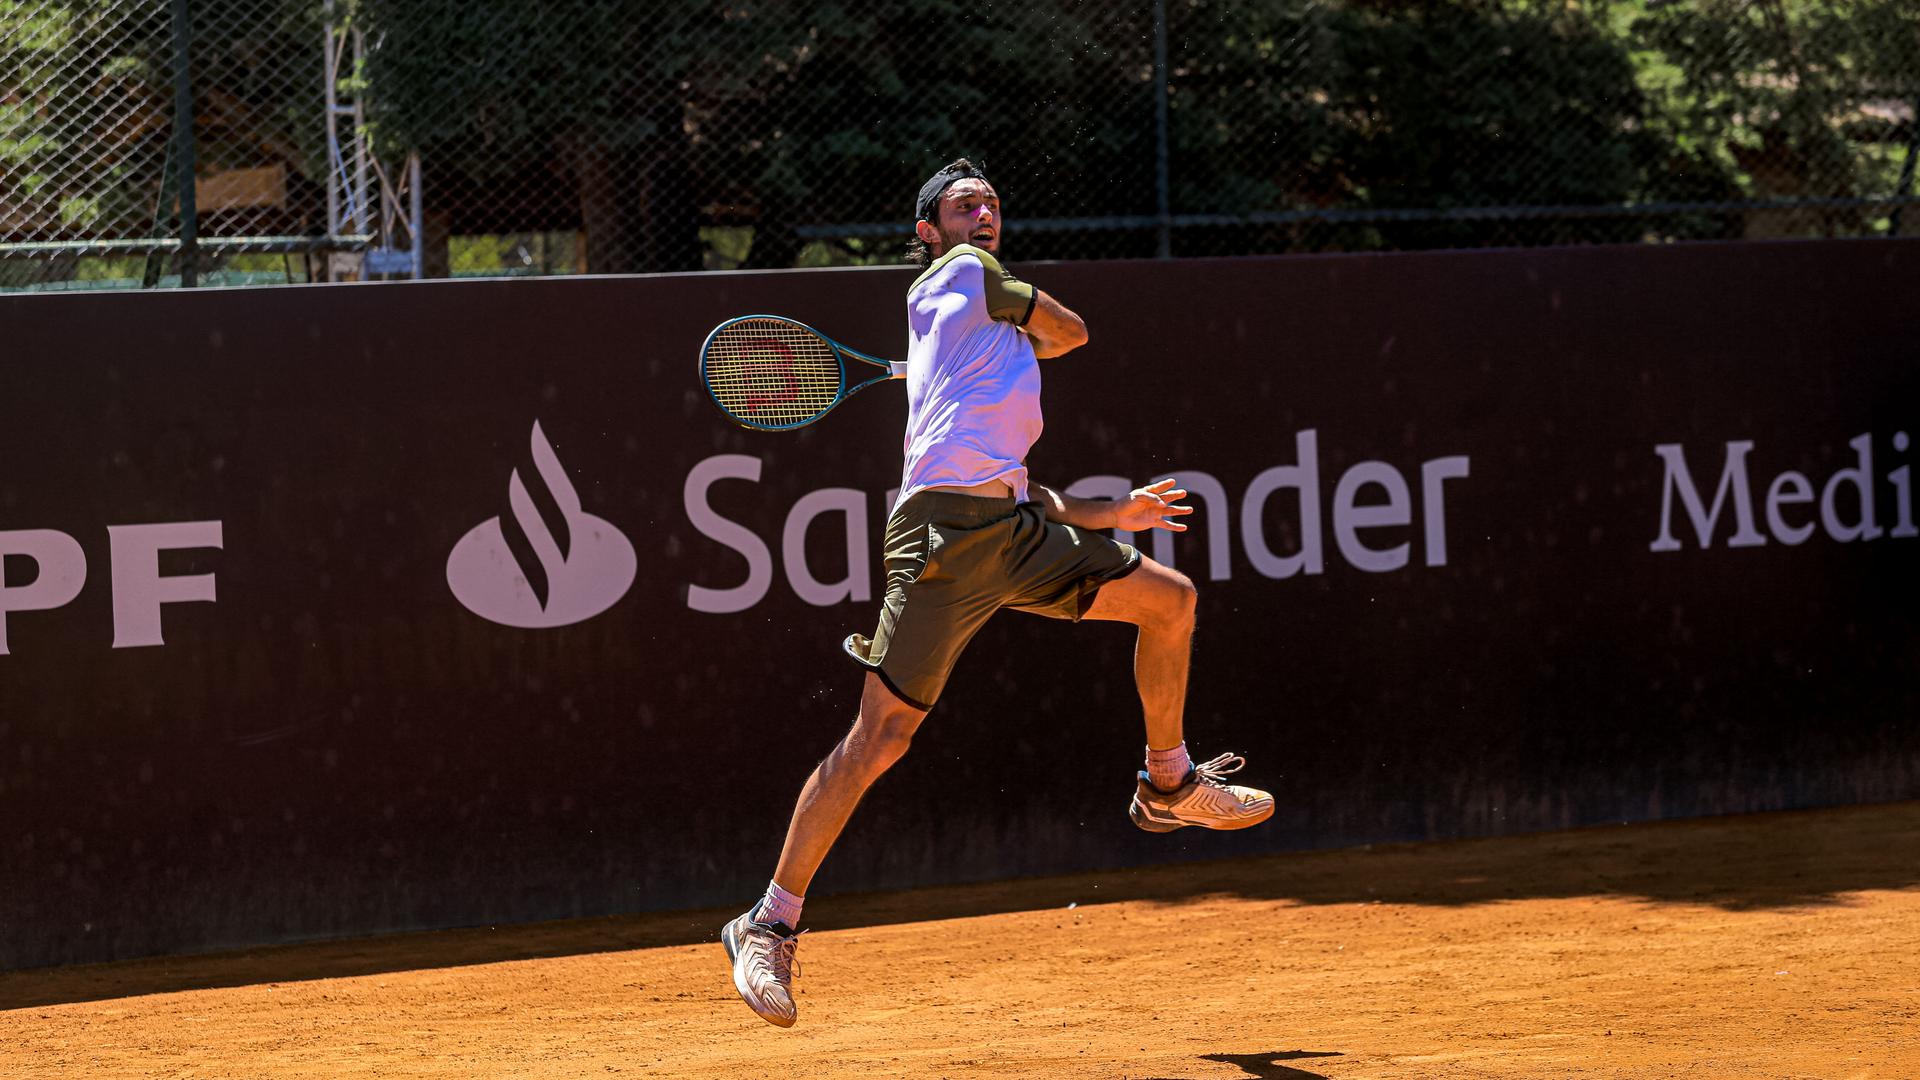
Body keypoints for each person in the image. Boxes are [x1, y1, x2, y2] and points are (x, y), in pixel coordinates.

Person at [722, 159, 1273, 1028]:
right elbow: (1076, 330)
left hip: (1011, 533)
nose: (985, 215)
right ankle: (768, 922)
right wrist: (1033, 329)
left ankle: (1167, 783)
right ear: (927, 232)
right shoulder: (968, 275)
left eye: (994, 206)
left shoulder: (967, 336)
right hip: (939, 543)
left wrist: (1112, 511)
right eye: (964, 205)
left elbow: (1025, 491)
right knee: (880, 738)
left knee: (1169, 601)